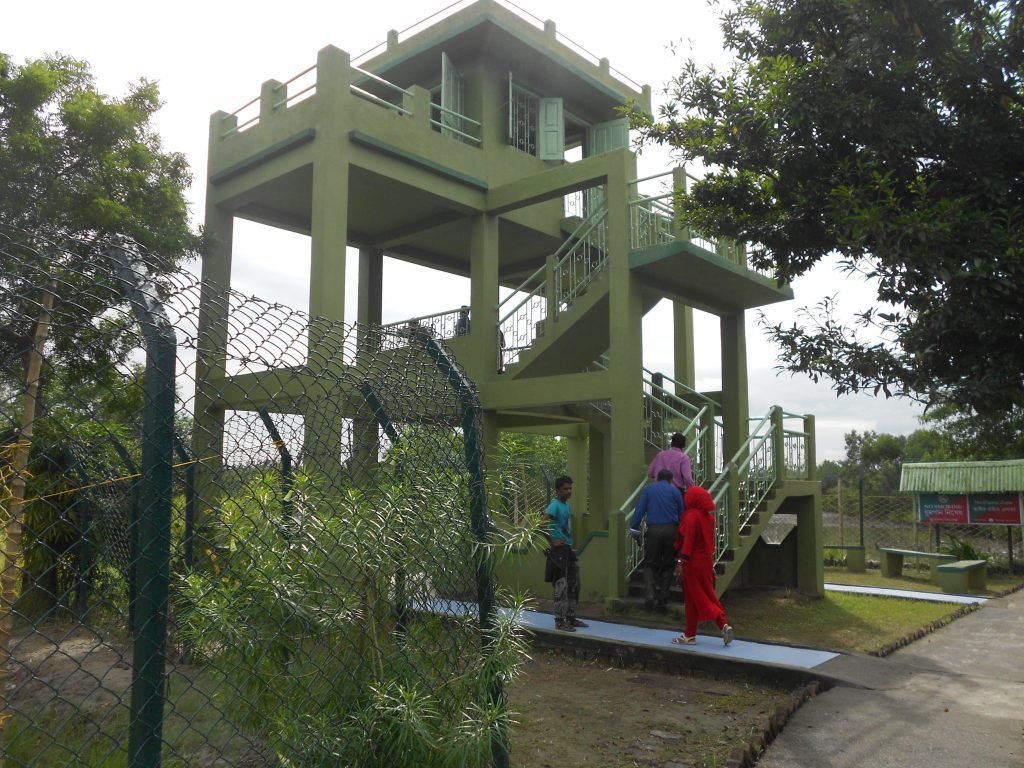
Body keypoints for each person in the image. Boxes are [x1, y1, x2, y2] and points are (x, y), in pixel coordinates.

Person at [672, 485, 733, 645]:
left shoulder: (691, 516)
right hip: (706, 561)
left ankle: (723, 624)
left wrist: (680, 562)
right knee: (694, 598)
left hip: (692, 562)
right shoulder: (708, 518)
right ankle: (689, 635)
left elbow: (688, 541)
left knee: (700, 597)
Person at [628, 469, 683, 612]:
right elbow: (682, 513)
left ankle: (650, 594)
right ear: (671, 480)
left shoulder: (649, 490)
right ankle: (663, 597)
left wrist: (634, 528)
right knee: (668, 564)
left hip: (653, 530)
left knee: (650, 564)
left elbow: (639, 511)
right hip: (671, 530)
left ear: (657, 479)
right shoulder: (675, 492)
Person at [544, 475, 587, 632]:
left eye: (570, 488)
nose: (569, 491)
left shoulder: (566, 506)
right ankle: (559, 621)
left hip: (567, 549)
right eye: (565, 489)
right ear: (558, 490)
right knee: (561, 585)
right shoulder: (554, 505)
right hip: (558, 551)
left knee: (575, 583)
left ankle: (570, 617)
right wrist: (552, 541)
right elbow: (541, 523)